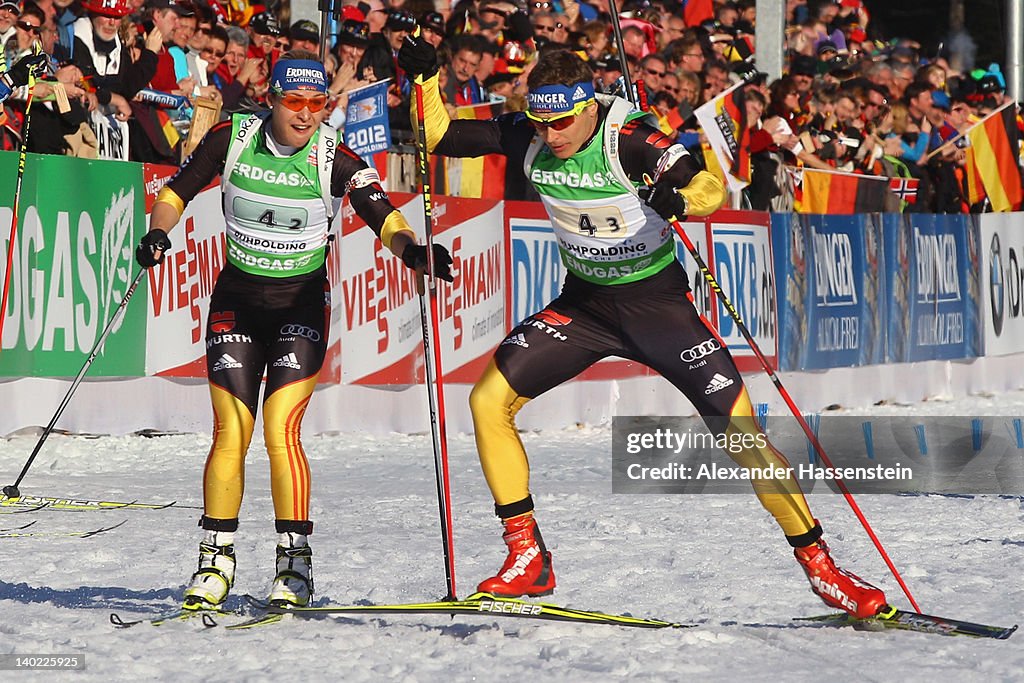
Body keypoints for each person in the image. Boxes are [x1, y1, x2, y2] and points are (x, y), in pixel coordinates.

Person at [398, 39, 889, 620]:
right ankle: (527, 556)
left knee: (742, 437)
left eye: (560, 123)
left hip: (659, 311)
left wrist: (675, 198)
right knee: (487, 401)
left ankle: (825, 570)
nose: (550, 136)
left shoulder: (628, 137)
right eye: (539, 122)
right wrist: (427, 79)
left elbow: (707, 186)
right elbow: (439, 137)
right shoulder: (527, 132)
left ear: (587, 107)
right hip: (585, 308)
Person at [133, 50, 453, 611]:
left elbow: (383, 215)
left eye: (318, 104)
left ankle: (294, 563)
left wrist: (413, 254)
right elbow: (175, 191)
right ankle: (215, 560)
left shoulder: (334, 155)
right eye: (295, 103)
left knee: (281, 429)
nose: (306, 115)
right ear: (272, 100)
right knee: (230, 430)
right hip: (236, 302)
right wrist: (159, 233)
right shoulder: (232, 140)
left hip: (300, 306)